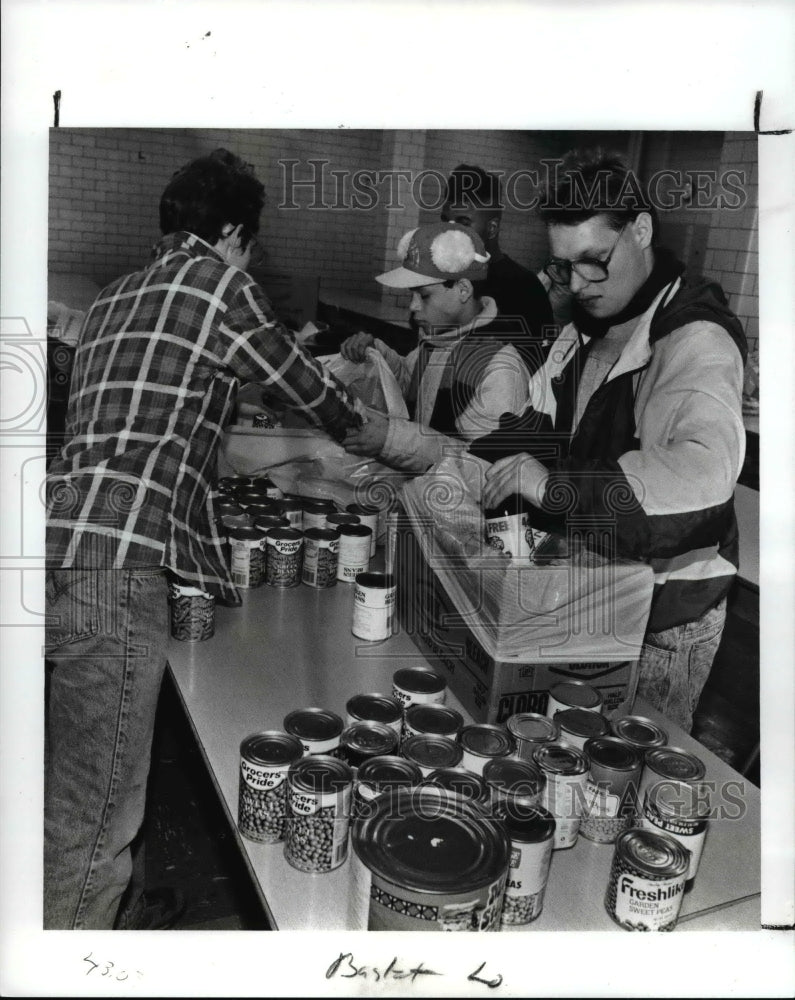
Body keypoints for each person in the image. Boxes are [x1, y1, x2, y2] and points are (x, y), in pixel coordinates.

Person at [44, 148, 362, 930]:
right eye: (248, 245)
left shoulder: (117, 295)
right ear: (230, 233)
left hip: (55, 546)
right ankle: (75, 947)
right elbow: (306, 387)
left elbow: (155, 421)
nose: (246, 259)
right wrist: (384, 438)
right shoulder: (220, 285)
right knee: (93, 818)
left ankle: (101, 907)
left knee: (81, 767)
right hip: (117, 568)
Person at [474, 147, 747, 733]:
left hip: (660, 624)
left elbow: (699, 481)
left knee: (621, 785)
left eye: (594, 260)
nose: (577, 283)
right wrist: (473, 473)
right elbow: (534, 432)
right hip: (587, 592)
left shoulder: (694, 341)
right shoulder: (582, 332)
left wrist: (552, 486)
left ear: (641, 230)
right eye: (563, 266)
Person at [341, 221, 531, 474]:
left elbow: (484, 467)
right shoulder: (437, 341)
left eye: (424, 295)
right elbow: (411, 387)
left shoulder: (499, 368)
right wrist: (376, 354)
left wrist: (392, 439)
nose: (413, 306)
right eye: (412, 295)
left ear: (463, 289)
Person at [441, 163, 554, 370]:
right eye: (445, 221)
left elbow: (539, 371)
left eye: (463, 223)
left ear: (492, 228)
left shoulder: (524, 288)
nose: (450, 233)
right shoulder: (443, 280)